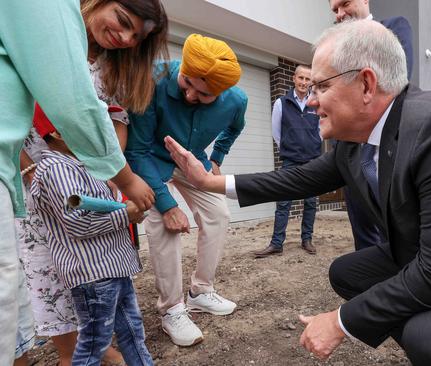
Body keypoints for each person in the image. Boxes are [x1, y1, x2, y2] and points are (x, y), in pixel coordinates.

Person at [164, 20, 431, 365]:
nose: (310, 100)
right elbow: (296, 179)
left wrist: (341, 323)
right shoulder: (357, 140)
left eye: (321, 87)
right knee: (348, 274)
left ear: (367, 85)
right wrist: (208, 182)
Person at [0, 1, 155, 365]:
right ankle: (74, 353)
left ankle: (105, 350)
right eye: (123, 21)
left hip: (95, 186)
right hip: (42, 190)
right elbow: (60, 114)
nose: (128, 38)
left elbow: (113, 121)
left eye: (137, 36)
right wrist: (125, 194)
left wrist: (108, 172)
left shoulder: (108, 68)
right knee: (47, 279)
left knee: (100, 280)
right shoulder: (45, 32)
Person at [125, 33, 246, 347]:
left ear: (221, 92)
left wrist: (216, 158)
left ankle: (200, 292)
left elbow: (234, 127)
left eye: (203, 93)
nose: (191, 94)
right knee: (164, 227)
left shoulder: (236, 100)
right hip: (151, 158)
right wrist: (167, 205)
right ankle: (172, 309)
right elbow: (136, 151)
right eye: (186, 83)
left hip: (193, 160)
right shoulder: (153, 79)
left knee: (218, 213)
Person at [30, 113, 153, 365]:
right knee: (94, 343)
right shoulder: (56, 169)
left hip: (113, 266)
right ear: (58, 133)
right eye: (88, 126)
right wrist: (125, 214)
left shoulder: (82, 164)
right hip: (93, 275)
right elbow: (78, 222)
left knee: (132, 331)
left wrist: (128, 214)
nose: (96, 132)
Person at [329, 0, 414, 250]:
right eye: (334, 10)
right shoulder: (333, 47)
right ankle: (368, 286)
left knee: (394, 230)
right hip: (350, 150)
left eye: (345, 4)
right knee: (362, 230)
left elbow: (394, 86)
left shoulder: (393, 29)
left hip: (384, 148)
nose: (340, 13)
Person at [253, 65, 321, 258]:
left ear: (311, 82)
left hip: (312, 161)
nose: (304, 82)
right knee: (283, 202)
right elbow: (277, 133)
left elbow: (321, 131)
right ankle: (276, 243)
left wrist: (312, 144)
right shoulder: (281, 103)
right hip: (290, 161)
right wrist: (290, 147)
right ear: (294, 78)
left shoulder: (315, 103)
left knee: (310, 202)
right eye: (301, 78)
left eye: (308, 79)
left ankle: (306, 239)